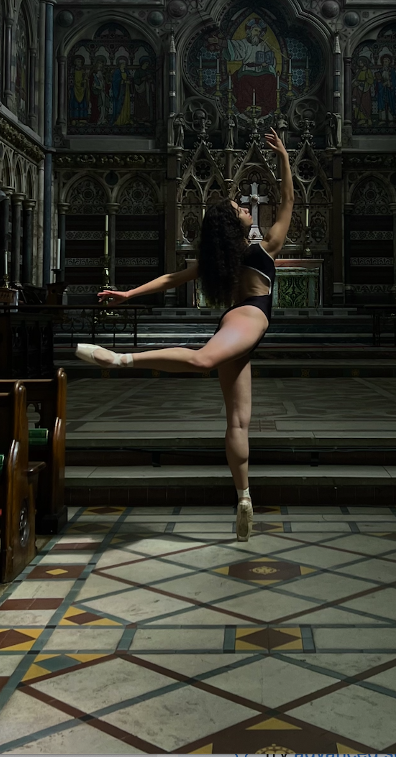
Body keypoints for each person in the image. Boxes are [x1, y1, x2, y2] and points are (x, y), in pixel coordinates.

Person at [75, 128, 294, 543]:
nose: (247, 207)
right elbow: (287, 201)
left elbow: (171, 278)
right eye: (240, 208)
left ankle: (244, 498)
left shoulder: (224, 257)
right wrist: (283, 158)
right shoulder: (264, 247)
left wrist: (129, 294)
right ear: (233, 224)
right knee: (203, 361)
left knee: (238, 422)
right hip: (248, 319)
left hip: (239, 321)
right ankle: (120, 358)